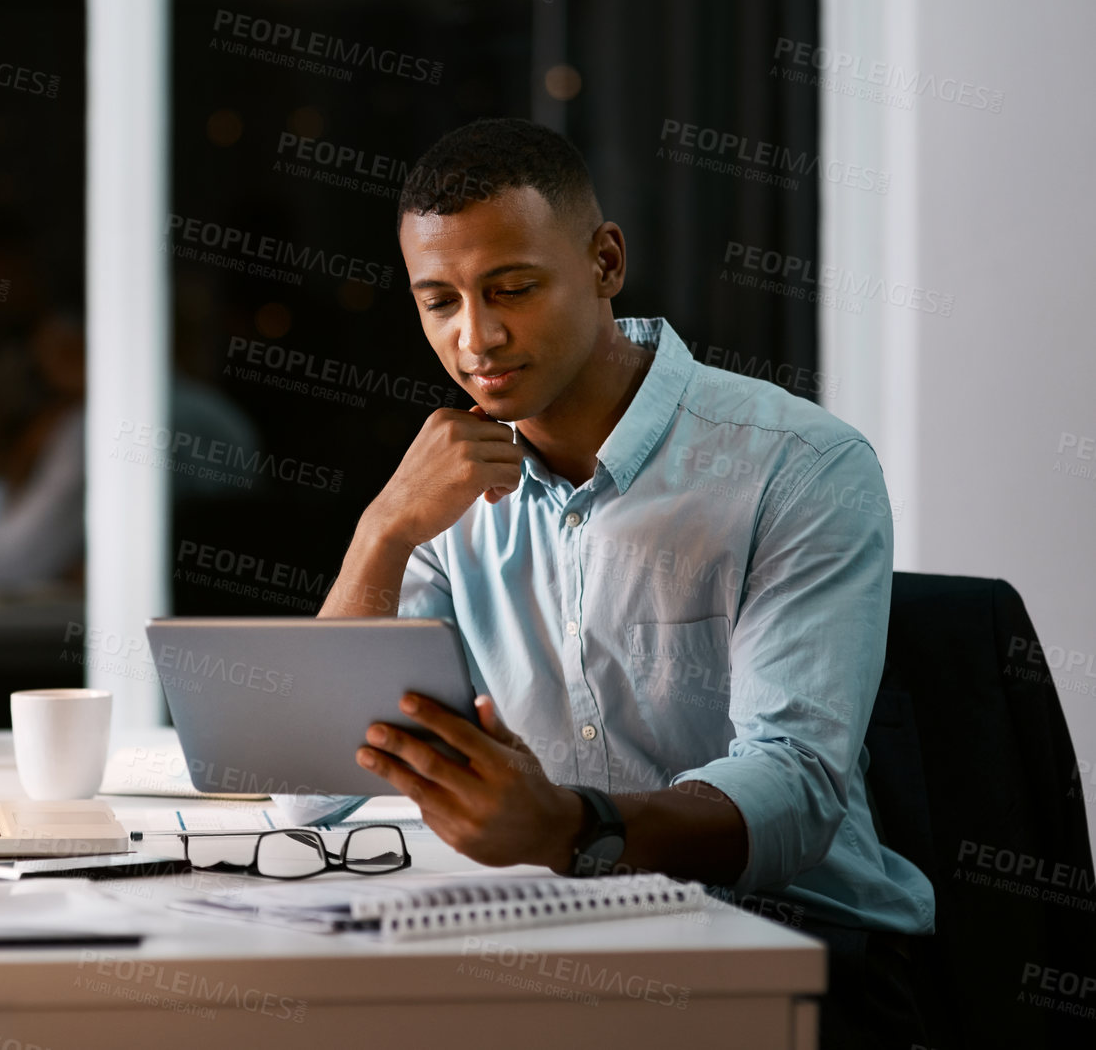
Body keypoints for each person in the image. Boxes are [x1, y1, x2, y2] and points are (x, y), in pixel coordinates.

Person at [296, 118, 934, 1048]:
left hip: (798, 948)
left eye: (510, 287)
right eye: (439, 302)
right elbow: (308, 789)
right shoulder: (446, 492)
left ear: (603, 262)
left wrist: (571, 825)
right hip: (562, 941)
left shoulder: (798, 465)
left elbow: (792, 792)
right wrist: (381, 530)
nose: (476, 336)